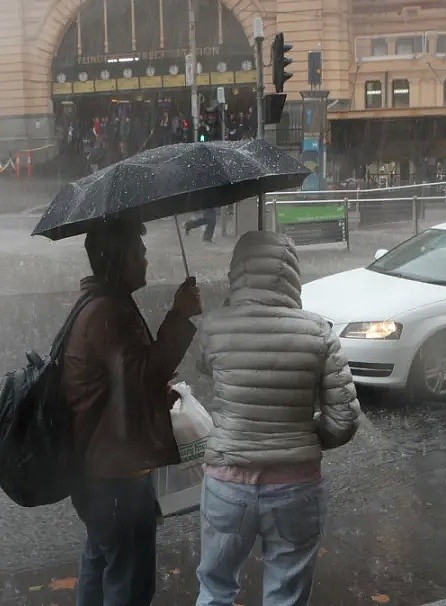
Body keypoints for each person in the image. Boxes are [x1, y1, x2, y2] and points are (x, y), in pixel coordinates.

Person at [194, 230, 360, 606]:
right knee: (286, 591)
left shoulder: (214, 326)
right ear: (291, 274)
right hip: (295, 486)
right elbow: (344, 418)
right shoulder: (319, 332)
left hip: (227, 483)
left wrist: (227, 308)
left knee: (216, 586)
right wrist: (307, 435)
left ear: (238, 272)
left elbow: (206, 367)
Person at [62, 218, 203, 606]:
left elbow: (121, 381)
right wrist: (180, 315)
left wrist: (157, 389)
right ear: (120, 259)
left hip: (97, 469)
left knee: (101, 563)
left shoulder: (100, 305)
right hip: (116, 477)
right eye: (139, 254)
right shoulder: (109, 313)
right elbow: (139, 376)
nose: (146, 260)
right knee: (130, 584)